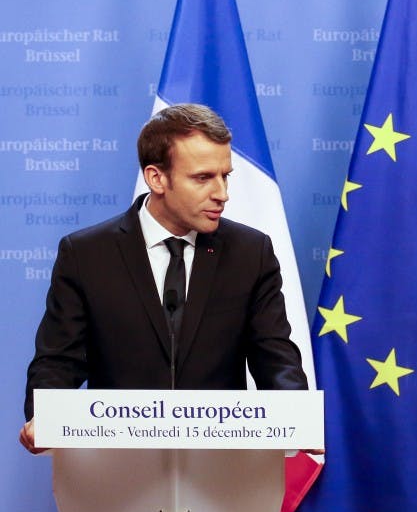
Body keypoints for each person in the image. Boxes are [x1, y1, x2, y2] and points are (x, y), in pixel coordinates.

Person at [20, 104, 307, 453]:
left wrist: (296, 418)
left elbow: (275, 357)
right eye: (203, 178)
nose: (222, 193)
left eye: (225, 175)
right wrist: (45, 418)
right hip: (118, 472)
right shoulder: (86, 254)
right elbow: (58, 361)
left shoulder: (250, 252)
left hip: (221, 471)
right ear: (157, 178)